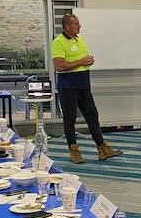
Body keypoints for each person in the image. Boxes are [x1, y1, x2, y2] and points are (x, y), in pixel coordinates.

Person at [51, 13, 122, 164]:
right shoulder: (59, 42)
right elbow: (59, 66)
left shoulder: (79, 39)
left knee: (92, 116)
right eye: (76, 24)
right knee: (70, 119)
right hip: (68, 86)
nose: (79, 26)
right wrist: (81, 61)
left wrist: (87, 61)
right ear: (67, 26)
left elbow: (79, 61)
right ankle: (74, 151)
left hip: (83, 85)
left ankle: (102, 149)